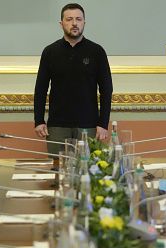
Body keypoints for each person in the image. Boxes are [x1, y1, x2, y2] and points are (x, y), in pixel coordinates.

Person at [33, 3, 113, 155]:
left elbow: (106, 90)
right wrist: (39, 120)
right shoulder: (50, 51)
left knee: (87, 171)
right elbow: (40, 89)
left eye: (78, 19)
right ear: (61, 23)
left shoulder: (97, 51)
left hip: (88, 125)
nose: (74, 23)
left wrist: (103, 123)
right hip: (57, 125)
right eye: (69, 19)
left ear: (84, 22)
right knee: (58, 171)